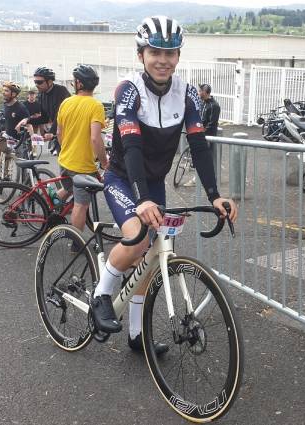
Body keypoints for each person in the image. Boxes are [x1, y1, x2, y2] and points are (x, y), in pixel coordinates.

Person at [90, 16, 237, 356]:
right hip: (123, 179)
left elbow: (199, 146)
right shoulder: (128, 89)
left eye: (170, 53)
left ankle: (136, 334)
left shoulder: (186, 92)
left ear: (178, 58)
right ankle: (101, 296)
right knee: (139, 237)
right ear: (141, 55)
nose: (163, 59)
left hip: (152, 183)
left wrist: (215, 196)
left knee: (152, 257)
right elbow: (133, 146)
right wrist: (141, 201)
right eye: (155, 51)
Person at [50, 65, 108, 237]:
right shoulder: (95, 106)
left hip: (65, 160)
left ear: (78, 83)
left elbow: (59, 133)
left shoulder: (66, 103)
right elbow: (96, 138)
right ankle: (76, 243)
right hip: (83, 165)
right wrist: (104, 162)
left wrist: (67, 147)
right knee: (81, 205)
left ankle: (52, 210)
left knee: (67, 188)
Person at [0, 82, 30, 175]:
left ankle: (25, 184)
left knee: (21, 165)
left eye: (6, 91)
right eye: (3, 90)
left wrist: (22, 122)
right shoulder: (6, 105)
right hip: (8, 135)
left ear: (14, 94)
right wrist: (1, 133)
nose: (3, 92)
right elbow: (7, 121)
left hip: (19, 139)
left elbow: (27, 117)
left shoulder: (20, 106)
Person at [33, 67, 71, 156]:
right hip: (60, 132)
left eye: (39, 82)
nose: (36, 84)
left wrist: (51, 132)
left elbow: (60, 114)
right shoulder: (41, 94)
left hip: (71, 130)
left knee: (71, 163)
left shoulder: (61, 91)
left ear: (49, 81)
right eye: (35, 82)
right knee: (62, 162)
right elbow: (45, 117)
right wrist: (27, 120)